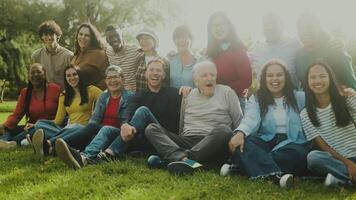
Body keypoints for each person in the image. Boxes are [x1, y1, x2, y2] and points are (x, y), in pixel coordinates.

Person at [55, 58, 181, 169]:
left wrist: (187, 90)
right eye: (151, 70)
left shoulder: (174, 93)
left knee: (142, 111)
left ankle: (110, 152)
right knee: (107, 130)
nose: (154, 73)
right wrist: (125, 124)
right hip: (141, 138)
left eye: (158, 70)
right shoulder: (139, 95)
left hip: (162, 137)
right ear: (146, 74)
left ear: (164, 75)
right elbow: (127, 112)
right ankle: (84, 157)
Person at [145, 61, 243, 175]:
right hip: (188, 140)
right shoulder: (188, 95)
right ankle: (186, 160)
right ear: (196, 81)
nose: (209, 78)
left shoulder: (227, 92)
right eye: (204, 75)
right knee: (151, 128)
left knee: (224, 129)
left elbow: (239, 122)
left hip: (214, 142)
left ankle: (183, 159)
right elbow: (182, 124)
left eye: (212, 75)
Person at [224, 59, 309, 188]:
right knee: (240, 141)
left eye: (279, 75)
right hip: (266, 140)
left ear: (286, 77)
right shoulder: (257, 98)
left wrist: (345, 92)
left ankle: (244, 167)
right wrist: (240, 132)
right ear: (264, 79)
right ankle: (277, 177)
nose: (275, 79)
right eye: (270, 75)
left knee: (297, 155)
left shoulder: (300, 97)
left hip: (293, 143)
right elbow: (251, 118)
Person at [48, 65, 133, 152]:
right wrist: (87, 132)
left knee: (82, 129)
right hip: (98, 130)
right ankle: (56, 147)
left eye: (115, 77)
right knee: (88, 131)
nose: (112, 81)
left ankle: (51, 144)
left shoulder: (130, 97)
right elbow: (95, 119)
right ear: (106, 81)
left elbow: (127, 121)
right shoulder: (104, 97)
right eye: (109, 78)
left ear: (123, 79)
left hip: (117, 132)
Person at [300, 60, 356, 186]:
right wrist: (349, 164)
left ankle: (342, 181)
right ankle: (347, 178)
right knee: (313, 158)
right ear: (307, 82)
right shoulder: (305, 114)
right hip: (340, 161)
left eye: (322, 76)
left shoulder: (347, 98)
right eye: (313, 77)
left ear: (330, 78)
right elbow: (324, 147)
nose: (318, 81)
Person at [32, 65, 102, 156]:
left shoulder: (92, 90)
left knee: (77, 127)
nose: (72, 78)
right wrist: (35, 124)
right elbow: (58, 121)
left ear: (80, 75)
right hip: (67, 129)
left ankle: (47, 144)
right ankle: (62, 143)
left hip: (83, 129)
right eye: (68, 76)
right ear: (65, 78)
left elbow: (106, 97)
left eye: (74, 74)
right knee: (40, 124)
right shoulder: (64, 95)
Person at [0, 63, 61, 149]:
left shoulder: (55, 89)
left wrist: (38, 124)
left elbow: (62, 115)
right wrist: (4, 126)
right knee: (7, 128)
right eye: (32, 73)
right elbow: (17, 115)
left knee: (36, 128)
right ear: (29, 76)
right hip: (29, 127)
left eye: (38, 72)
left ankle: (10, 142)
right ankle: (5, 142)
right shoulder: (25, 92)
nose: (35, 74)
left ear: (45, 74)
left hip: (48, 127)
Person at [296, 13, 356, 89]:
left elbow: (352, 87)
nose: (304, 32)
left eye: (310, 27)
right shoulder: (298, 56)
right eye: (300, 28)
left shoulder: (335, 51)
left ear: (319, 29)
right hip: (309, 100)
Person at [206, 11, 252, 110]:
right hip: (214, 102)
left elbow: (246, 80)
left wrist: (220, 90)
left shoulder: (238, 50)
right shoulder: (210, 53)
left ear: (229, 26)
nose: (218, 28)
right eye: (214, 25)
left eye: (222, 24)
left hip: (235, 102)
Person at [249, 14, 301, 86]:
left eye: (274, 23)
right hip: (263, 96)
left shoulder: (294, 44)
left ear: (282, 26)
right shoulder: (255, 48)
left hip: (291, 95)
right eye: (266, 24)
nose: (270, 27)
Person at [32, 20, 73, 88]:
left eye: (51, 34)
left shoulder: (69, 56)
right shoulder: (36, 56)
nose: (49, 37)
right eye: (45, 35)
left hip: (64, 95)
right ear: (42, 37)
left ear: (57, 36)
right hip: (45, 95)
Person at [71, 23, 109, 89]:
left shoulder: (100, 54)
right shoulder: (76, 55)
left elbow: (108, 77)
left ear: (92, 38)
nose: (83, 37)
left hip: (93, 97)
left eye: (87, 35)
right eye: (80, 34)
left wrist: (94, 91)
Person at [105, 25, 142, 92]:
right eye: (111, 37)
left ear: (122, 36)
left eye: (117, 35)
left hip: (133, 94)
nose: (114, 39)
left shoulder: (134, 50)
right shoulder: (108, 51)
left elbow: (148, 53)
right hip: (117, 93)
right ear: (107, 40)